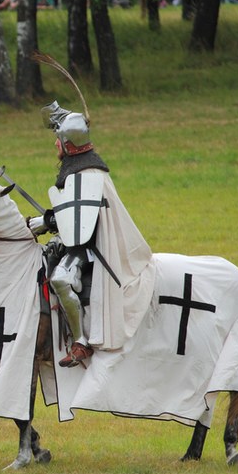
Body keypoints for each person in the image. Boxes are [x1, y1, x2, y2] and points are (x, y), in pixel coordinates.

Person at [28, 99, 155, 368]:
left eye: (58, 141)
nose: (55, 145)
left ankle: (81, 342)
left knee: (61, 279)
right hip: (79, 237)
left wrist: (45, 221)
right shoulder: (80, 169)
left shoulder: (85, 173)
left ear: (69, 145)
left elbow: (80, 220)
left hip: (91, 244)